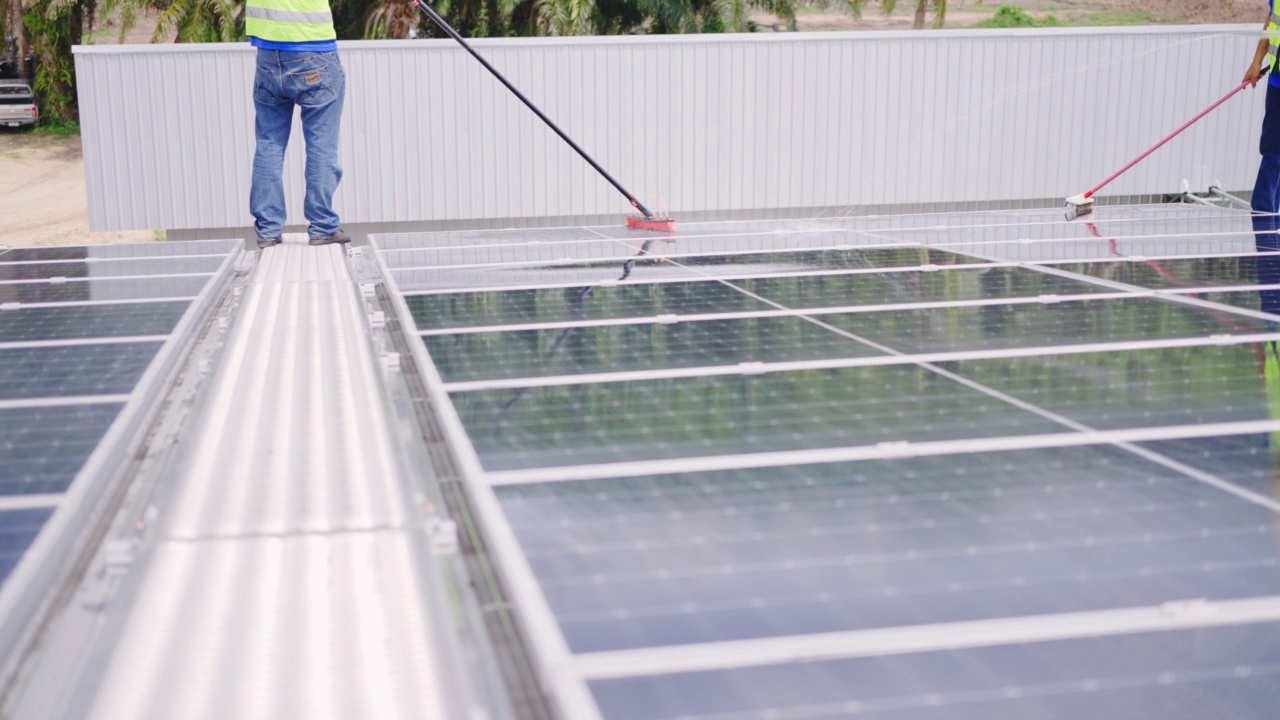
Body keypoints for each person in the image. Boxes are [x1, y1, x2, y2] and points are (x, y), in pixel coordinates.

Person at [247, 0, 350, 249]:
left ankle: (268, 231)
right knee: (321, 145)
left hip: (269, 55)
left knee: (269, 144)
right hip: (314, 52)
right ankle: (323, 227)